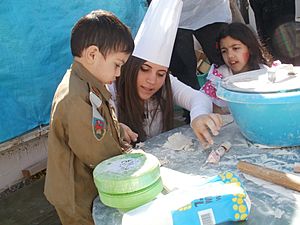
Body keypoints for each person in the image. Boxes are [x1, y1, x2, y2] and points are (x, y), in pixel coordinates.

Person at [44, 10, 135, 225]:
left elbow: (98, 125)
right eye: (117, 64)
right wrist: (133, 162)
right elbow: (100, 155)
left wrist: (118, 129)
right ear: (93, 55)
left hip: (85, 186)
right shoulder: (76, 97)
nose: (119, 73)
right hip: (77, 198)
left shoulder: (87, 85)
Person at [110, 0, 222, 148]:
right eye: (144, 69)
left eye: (161, 73)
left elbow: (198, 97)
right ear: (131, 66)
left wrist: (198, 116)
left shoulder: (165, 83)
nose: (152, 80)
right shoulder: (113, 86)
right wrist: (115, 128)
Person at [200, 22, 274, 114]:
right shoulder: (218, 79)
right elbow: (203, 103)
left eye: (235, 48)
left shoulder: (265, 73)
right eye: (224, 51)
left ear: (250, 48)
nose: (230, 55)